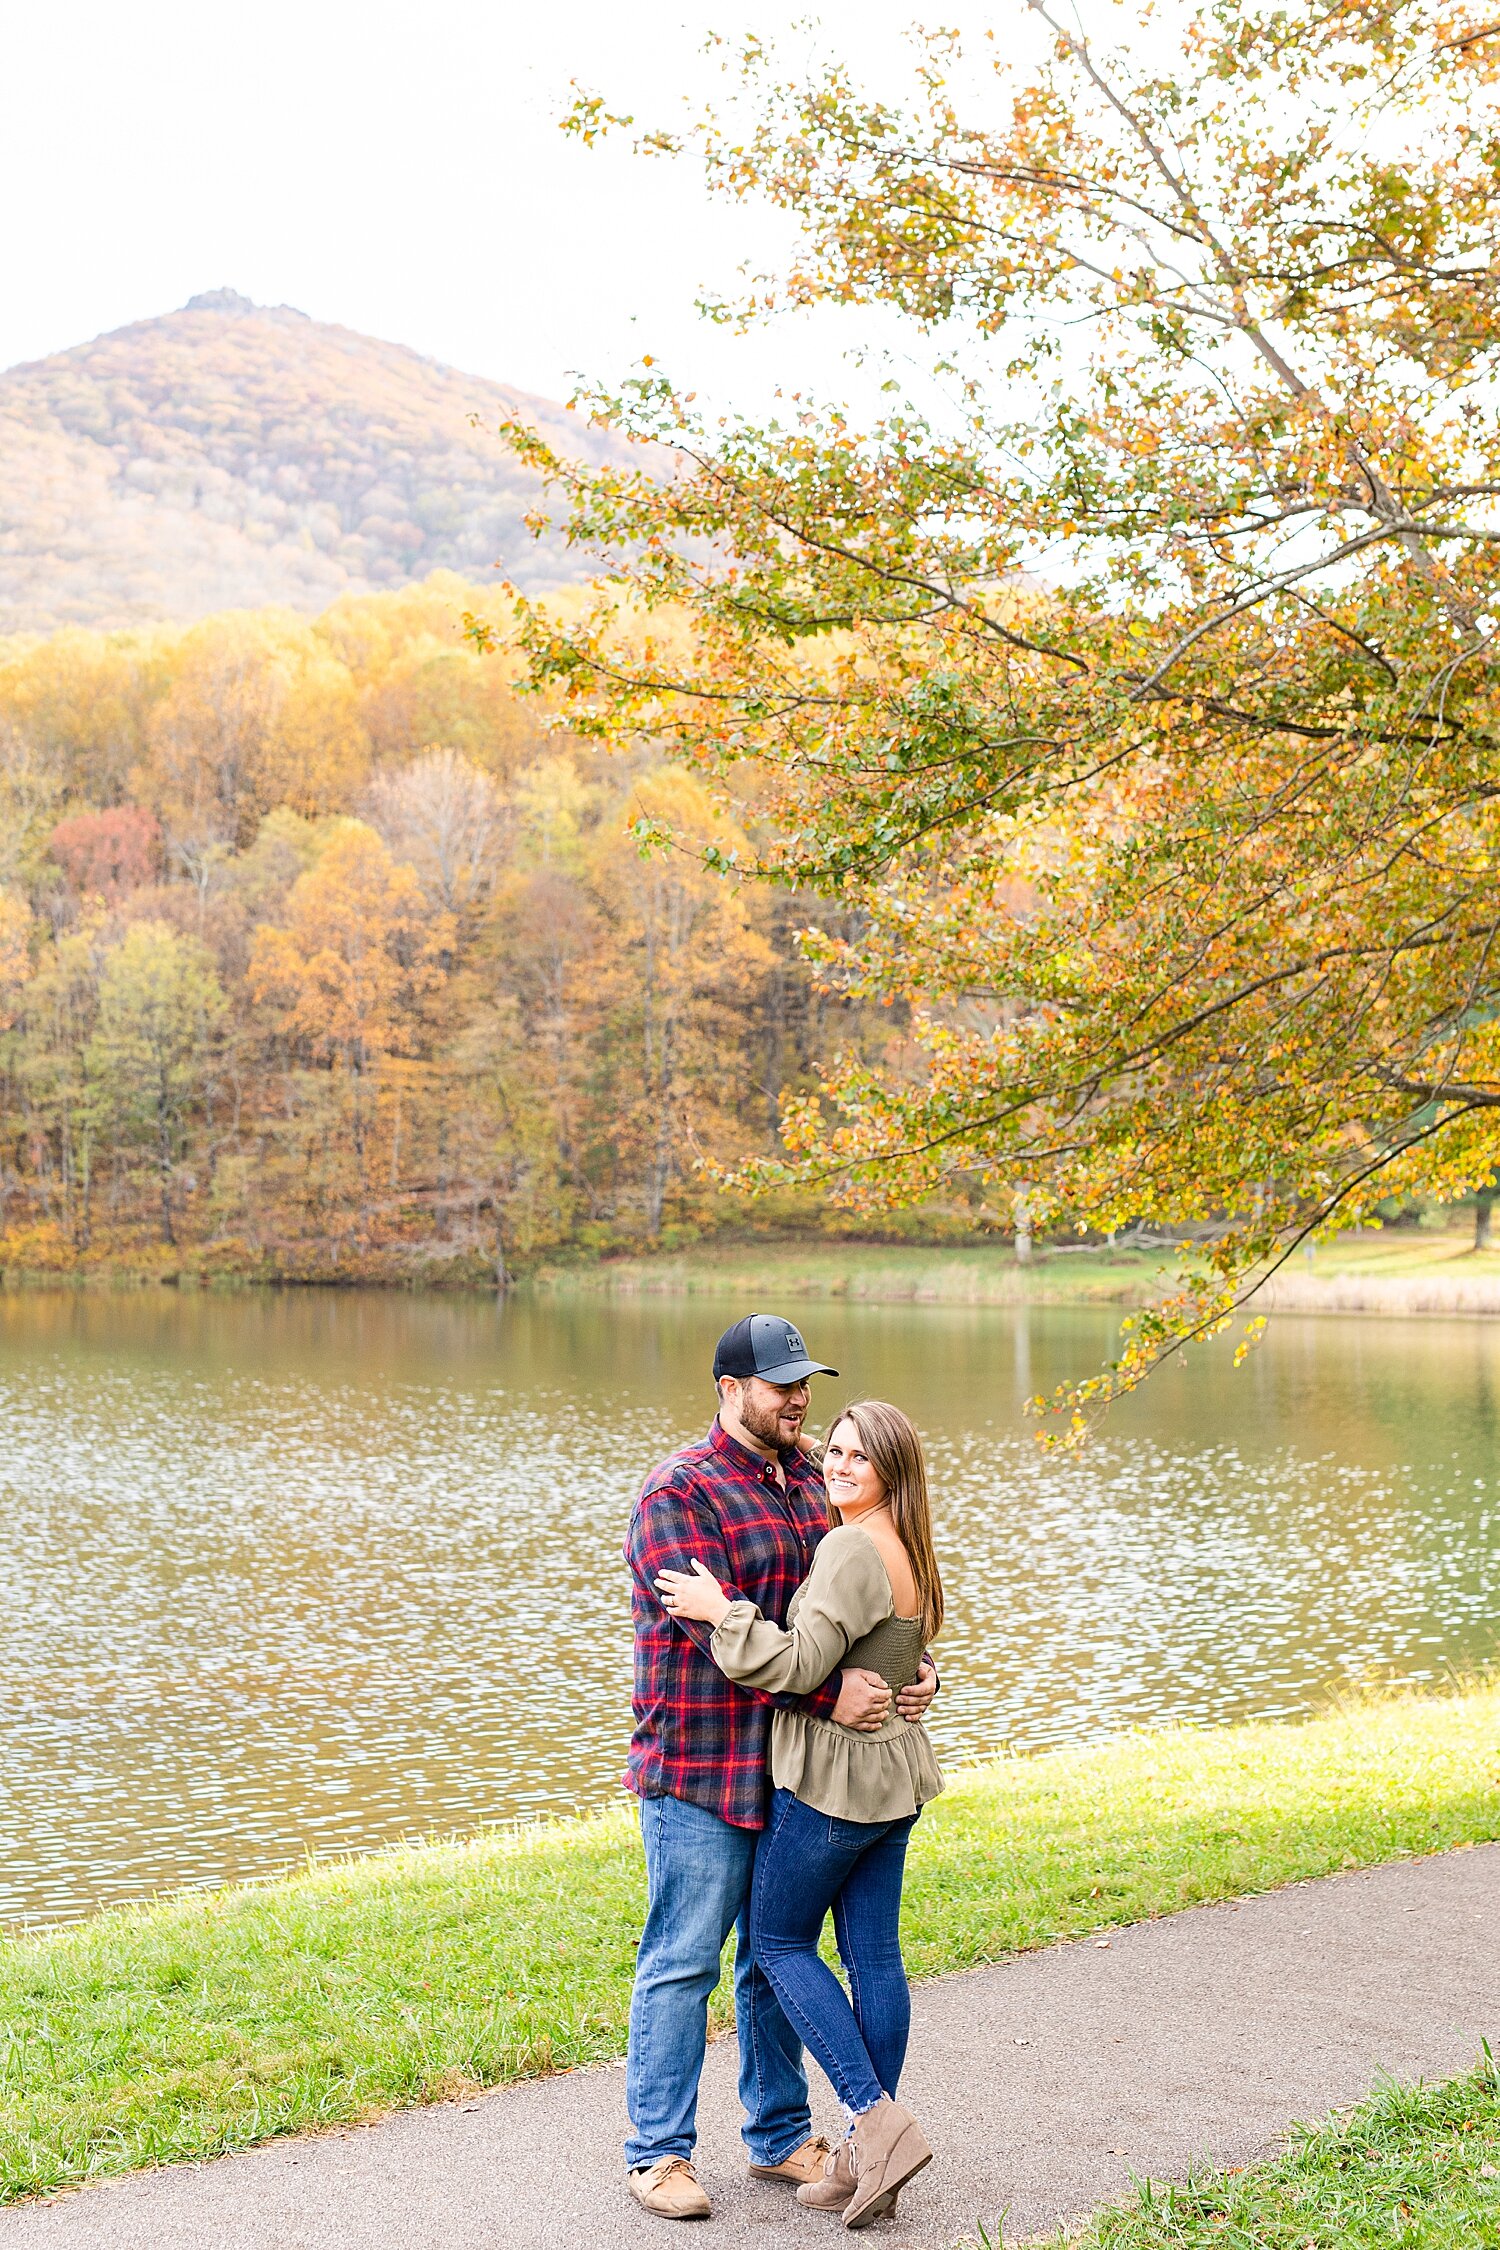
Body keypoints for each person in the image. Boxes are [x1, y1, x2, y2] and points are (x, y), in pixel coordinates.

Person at [623, 1316, 938, 2221]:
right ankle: (659, 2155)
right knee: (685, 1959)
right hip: (702, 1763)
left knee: (772, 1959)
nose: (800, 1399)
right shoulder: (677, 1495)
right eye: (781, 1385)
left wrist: (911, 1670)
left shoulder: (816, 1479)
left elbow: (864, 1602)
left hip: (796, 1769)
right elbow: (718, 1638)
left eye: (805, 1382)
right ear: (730, 1390)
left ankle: (778, 2136)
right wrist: (833, 1695)